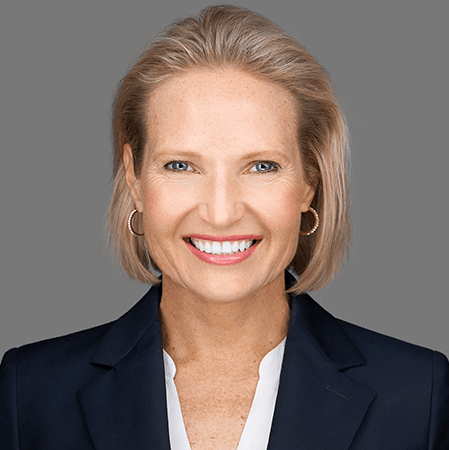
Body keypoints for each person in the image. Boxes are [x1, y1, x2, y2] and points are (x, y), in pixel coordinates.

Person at [0, 4, 448, 449]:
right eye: (180, 165)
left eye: (261, 166)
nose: (220, 213)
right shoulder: (30, 392)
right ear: (134, 181)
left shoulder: (418, 396)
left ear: (310, 183)